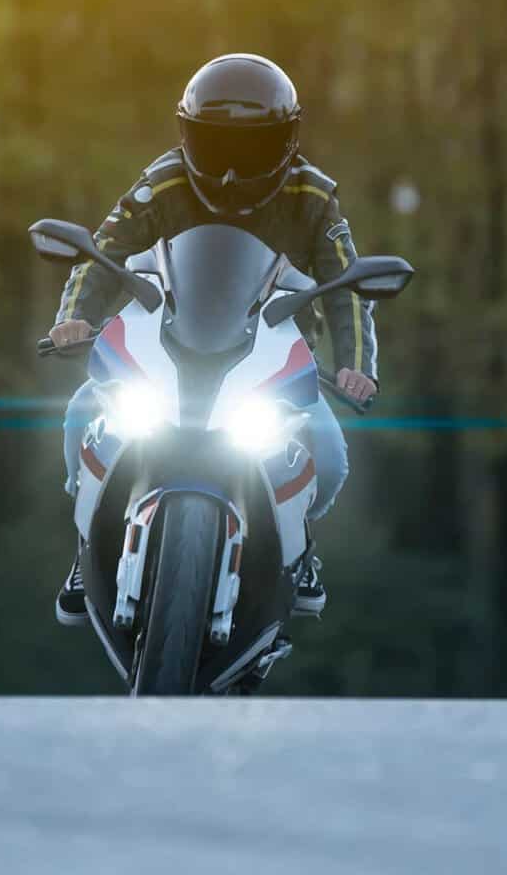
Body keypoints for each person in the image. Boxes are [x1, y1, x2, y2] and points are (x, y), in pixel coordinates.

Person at [49, 53, 377, 625]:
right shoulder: (163, 181)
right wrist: (75, 317)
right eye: (216, 146)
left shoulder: (315, 198)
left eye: (249, 149)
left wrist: (356, 365)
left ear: (286, 142)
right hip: (163, 337)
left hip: (270, 353)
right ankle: (84, 551)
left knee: (330, 454)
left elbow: (346, 287)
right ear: (187, 136)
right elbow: (105, 252)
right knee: (83, 412)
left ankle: (300, 551)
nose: (229, 169)